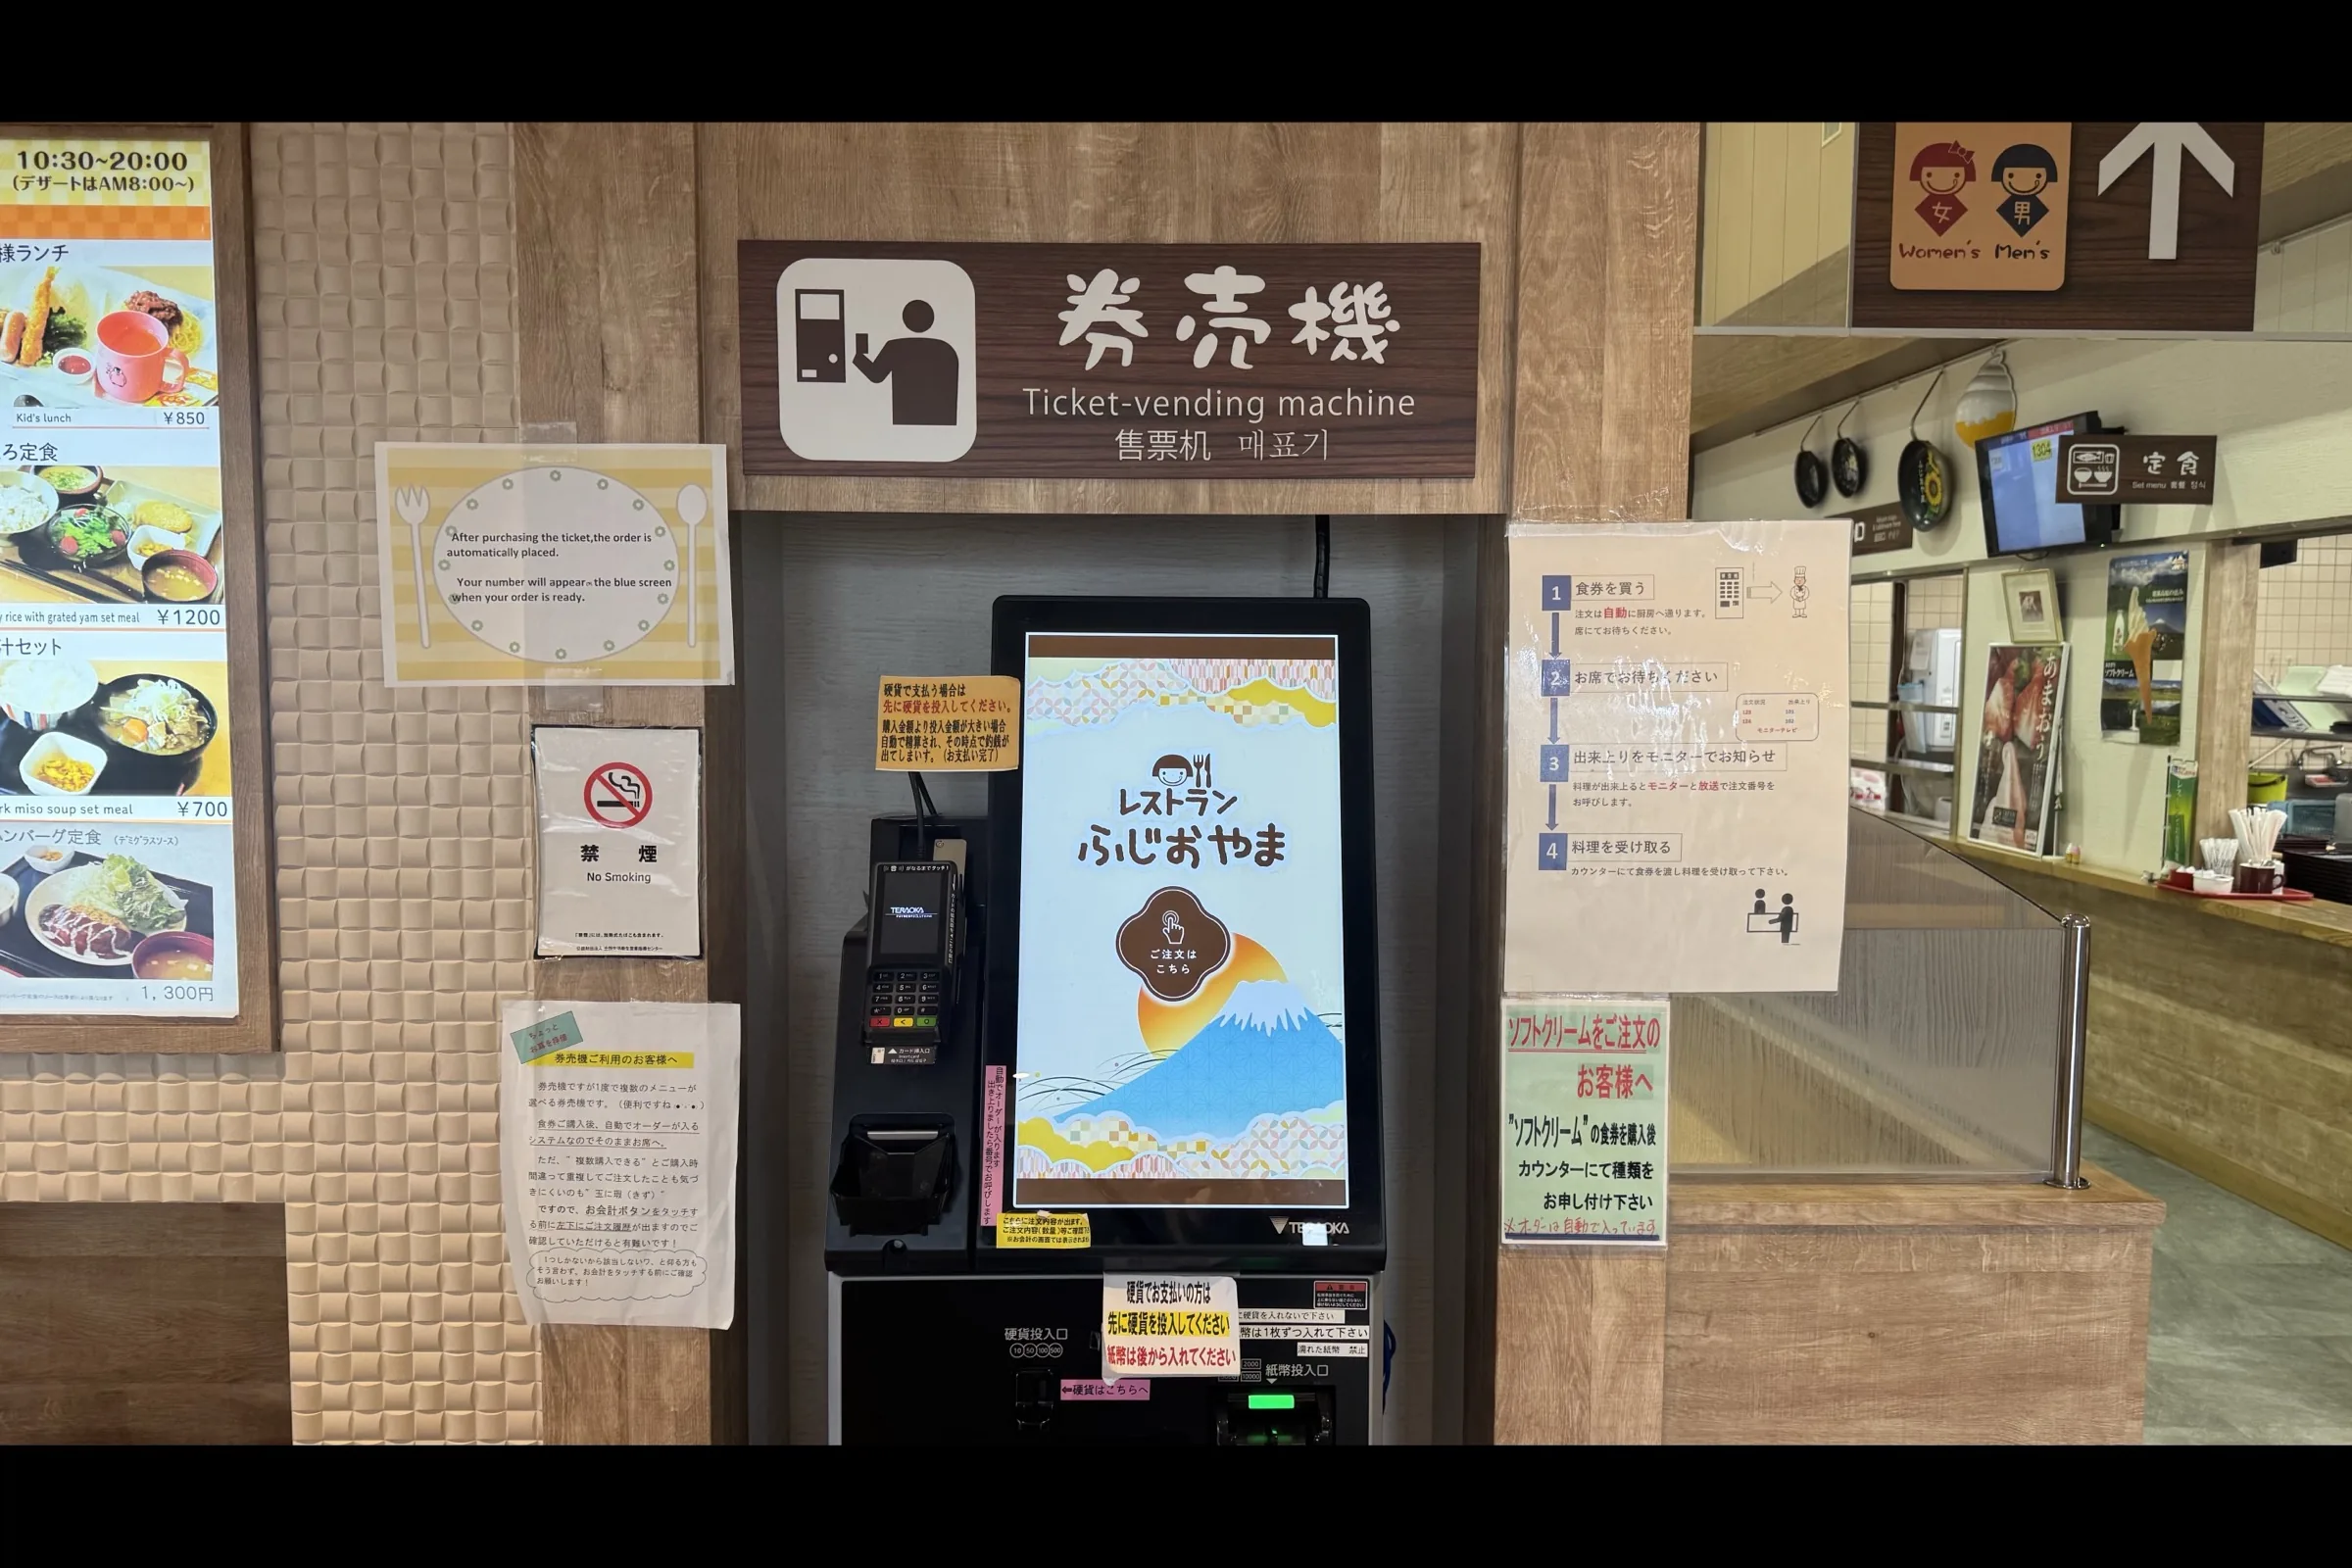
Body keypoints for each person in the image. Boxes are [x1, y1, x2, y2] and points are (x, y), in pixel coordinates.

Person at [854, 299, 959, 426]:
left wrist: (858, 356)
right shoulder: (948, 350)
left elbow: (875, 376)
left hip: (906, 422)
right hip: (942, 424)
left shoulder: (896, 347)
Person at [1990, 143, 2060, 238]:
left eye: (2038, 176)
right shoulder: (2006, 208)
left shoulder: (2039, 208)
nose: (2024, 181)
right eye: (2011, 175)